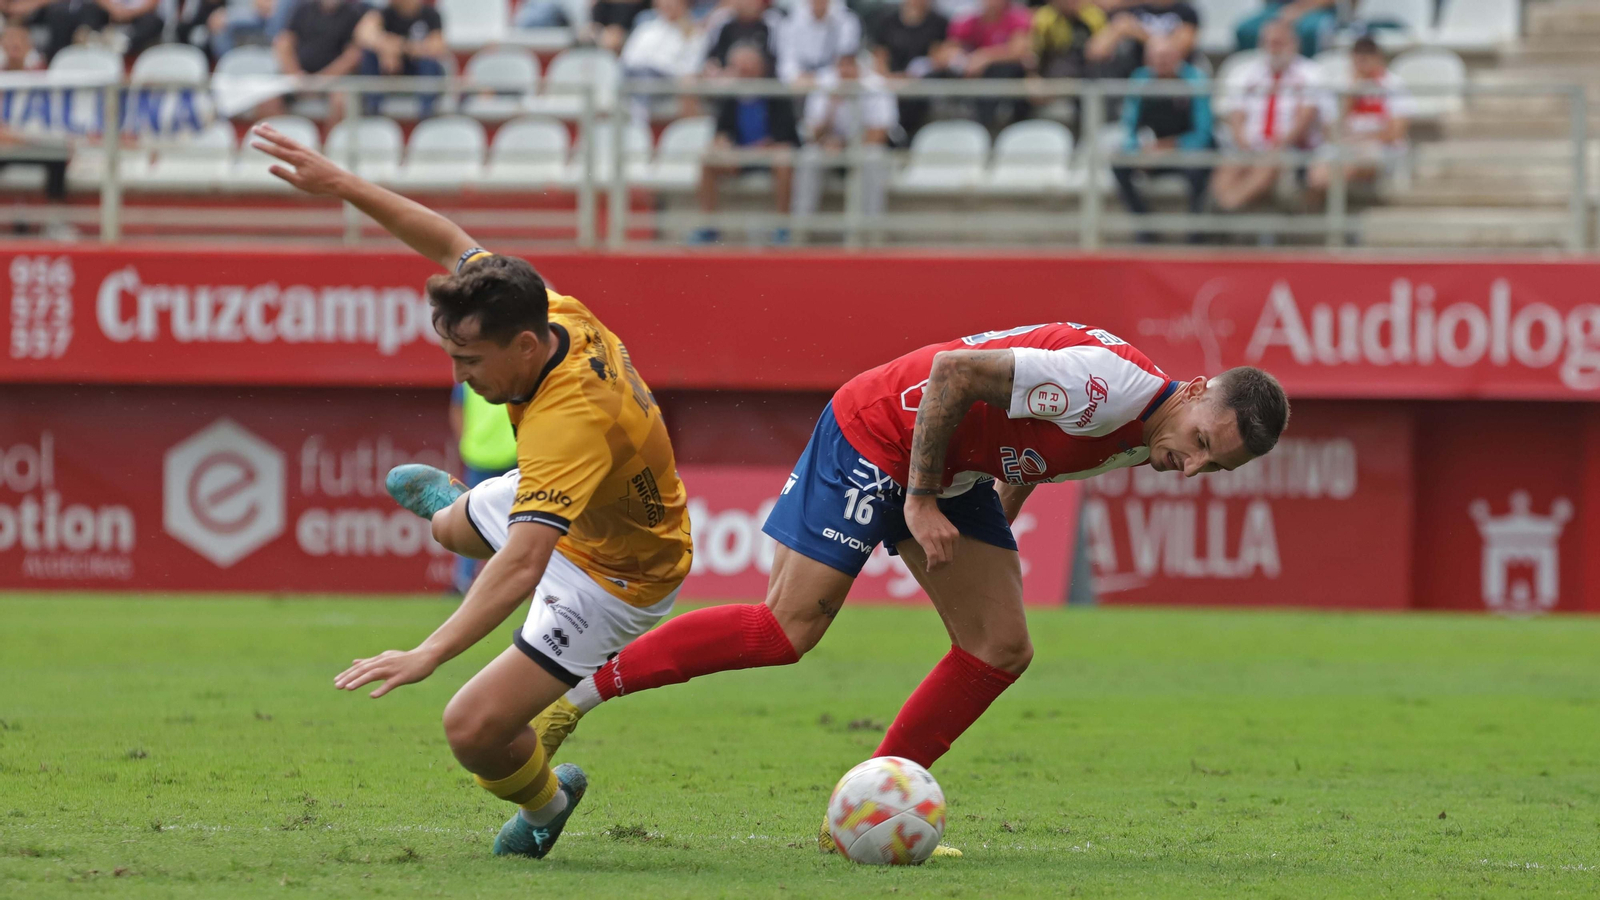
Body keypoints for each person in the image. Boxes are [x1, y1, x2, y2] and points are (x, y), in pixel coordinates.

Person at [528, 324, 1290, 856]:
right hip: (877, 430)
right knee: (786, 631)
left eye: (1211, 469)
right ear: (1193, 392)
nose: (1188, 469)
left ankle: (862, 812)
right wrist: (919, 501)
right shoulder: (1106, 388)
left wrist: (992, 528)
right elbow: (953, 375)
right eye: (1197, 445)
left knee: (1000, 645)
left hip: (949, 470)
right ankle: (572, 702)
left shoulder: (1144, 431)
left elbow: (1022, 458)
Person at [249, 121, 694, 860]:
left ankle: (548, 806)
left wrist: (428, 652)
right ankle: (461, 512)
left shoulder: (570, 421)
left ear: (523, 345)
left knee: (473, 729)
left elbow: (521, 568)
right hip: (567, 498)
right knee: (447, 530)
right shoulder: (550, 309)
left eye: (469, 359)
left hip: (618, 574)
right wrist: (344, 184)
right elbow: (446, 237)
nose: (459, 376)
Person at [1211, 17, 1323, 213]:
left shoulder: (1311, 73)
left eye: (1279, 43)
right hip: (1249, 145)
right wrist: (1243, 143)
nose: (1274, 48)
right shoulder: (1244, 72)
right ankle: (1224, 207)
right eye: (1269, 43)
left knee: (1268, 164)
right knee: (1227, 168)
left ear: (1293, 44)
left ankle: (1225, 210)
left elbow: (1306, 117)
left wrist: (1279, 145)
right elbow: (1235, 113)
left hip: (1289, 148)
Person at [694, 40, 797, 244]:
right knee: (708, 159)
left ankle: (782, 227)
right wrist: (722, 144)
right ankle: (708, 225)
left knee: (784, 158)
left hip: (770, 155)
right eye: (739, 66)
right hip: (740, 155)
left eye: (748, 65)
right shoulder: (730, 95)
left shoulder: (776, 91)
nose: (744, 71)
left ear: (760, 66)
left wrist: (764, 147)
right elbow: (722, 131)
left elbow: (787, 136)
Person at [1112, 34, 1212, 240]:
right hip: (1152, 151)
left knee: (1201, 167)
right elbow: (1130, 127)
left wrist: (1170, 147)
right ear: (1147, 59)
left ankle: (1196, 234)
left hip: (1185, 152)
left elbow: (1203, 133)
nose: (1162, 62)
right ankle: (1145, 229)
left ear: (1179, 57)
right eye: (1156, 57)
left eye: (1167, 56)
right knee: (1119, 163)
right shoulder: (1140, 81)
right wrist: (1139, 153)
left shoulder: (1195, 81)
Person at [791, 51, 894, 235]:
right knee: (808, 157)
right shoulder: (825, 84)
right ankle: (800, 230)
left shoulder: (876, 85)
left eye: (851, 65)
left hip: (861, 148)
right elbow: (812, 134)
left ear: (861, 68)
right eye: (842, 65)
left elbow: (879, 134)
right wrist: (832, 104)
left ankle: (872, 231)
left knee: (874, 157)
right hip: (829, 148)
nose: (846, 71)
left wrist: (846, 145)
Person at [1305, 35, 1412, 207]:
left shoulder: (1394, 85)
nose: (1363, 61)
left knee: (1347, 166)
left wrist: (1359, 138)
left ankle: (1327, 217)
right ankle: (1320, 218)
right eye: (1359, 56)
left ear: (1378, 57)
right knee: (1317, 172)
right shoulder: (1341, 86)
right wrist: (1351, 94)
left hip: (1377, 147)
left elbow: (1395, 133)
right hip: (1344, 145)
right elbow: (1329, 131)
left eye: (1368, 55)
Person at [448, 383, 519, 594]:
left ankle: (503, 580)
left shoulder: (470, 374)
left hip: (505, 455)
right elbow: (457, 409)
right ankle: (464, 580)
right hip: (489, 455)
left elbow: (456, 409)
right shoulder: (474, 375)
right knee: (472, 520)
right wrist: (465, 442)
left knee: (471, 520)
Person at [274, 0, 369, 122]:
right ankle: (281, 138)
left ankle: (330, 141)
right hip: (299, 79)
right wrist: (296, 76)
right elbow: (284, 43)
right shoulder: (302, 9)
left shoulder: (354, 13)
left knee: (342, 102)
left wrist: (321, 80)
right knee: (267, 100)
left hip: (336, 81)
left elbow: (353, 56)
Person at [945, 0, 1032, 130]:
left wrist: (985, 56)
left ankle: (986, 124)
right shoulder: (969, 21)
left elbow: (1019, 51)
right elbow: (946, 52)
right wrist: (965, 61)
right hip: (973, 77)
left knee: (1003, 70)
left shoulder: (1017, 17)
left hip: (1007, 80)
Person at [869, 0, 949, 140]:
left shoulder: (938, 22)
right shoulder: (887, 20)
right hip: (890, 82)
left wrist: (910, 77)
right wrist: (890, 79)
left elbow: (938, 58)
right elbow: (879, 57)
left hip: (920, 83)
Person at [354, 0, 447, 116]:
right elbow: (362, 34)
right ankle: (372, 108)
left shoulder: (430, 14)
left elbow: (437, 48)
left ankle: (426, 111)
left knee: (429, 63)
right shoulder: (384, 13)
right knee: (370, 56)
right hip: (391, 71)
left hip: (417, 69)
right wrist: (385, 49)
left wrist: (399, 47)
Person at [619, 0, 703, 126]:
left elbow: (690, 68)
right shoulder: (646, 28)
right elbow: (627, 58)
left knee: (646, 75)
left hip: (668, 80)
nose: (668, 5)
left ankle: (639, 121)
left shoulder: (694, 33)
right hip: (634, 75)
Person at [1085, 0, 1197, 79]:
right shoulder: (1131, 11)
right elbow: (1095, 52)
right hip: (1135, 82)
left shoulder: (1186, 12)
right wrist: (1120, 27)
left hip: (1176, 83)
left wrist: (1139, 33)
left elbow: (1181, 47)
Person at [775, 0, 861, 87]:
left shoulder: (848, 22)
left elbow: (845, 66)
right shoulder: (789, 23)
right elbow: (785, 63)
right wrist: (797, 77)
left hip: (834, 89)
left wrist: (818, 79)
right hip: (797, 88)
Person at [1028, 0, 1107, 79]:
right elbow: (1033, 54)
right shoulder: (1044, 18)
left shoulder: (1094, 16)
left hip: (1087, 72)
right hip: (1053, 75)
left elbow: (1103, 50)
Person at [1235, 0, 1336, 58]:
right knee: (1245, 30)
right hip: (1279, 6)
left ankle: (1304, 71)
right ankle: (1253, 75)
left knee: (1309, 31)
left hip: (1317, 8)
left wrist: (1299, 9)